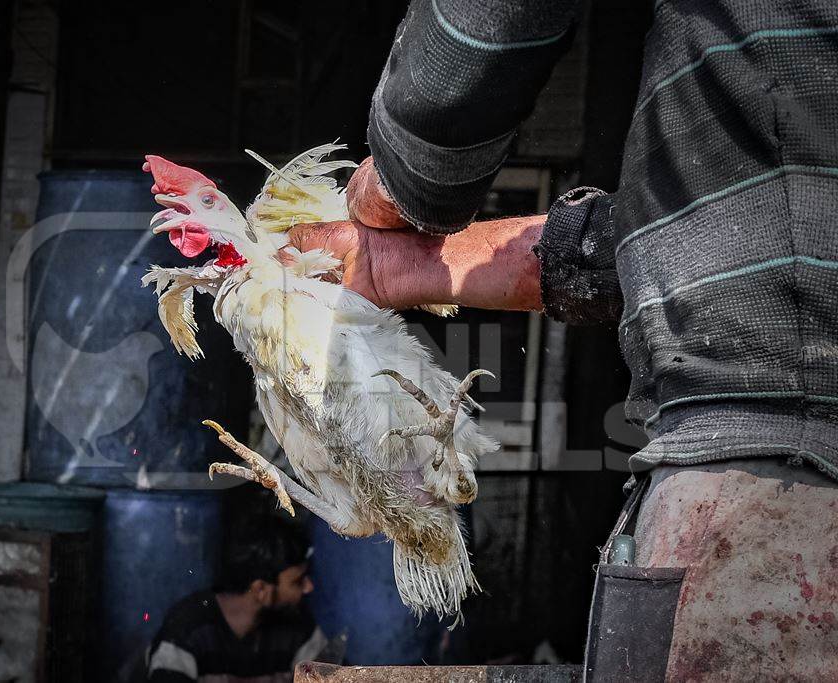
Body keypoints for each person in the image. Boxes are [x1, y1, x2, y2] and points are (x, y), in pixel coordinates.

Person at [288, 0, 838, 677]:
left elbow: (486, 27)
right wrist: (401, 266)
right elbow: (708, 244)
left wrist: (402, 178)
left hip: (777, 502)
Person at [145, 514, 325, 683]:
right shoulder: (187, 631)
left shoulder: (300, 628)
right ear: (261, 589)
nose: (309, 587)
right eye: (297, 581)